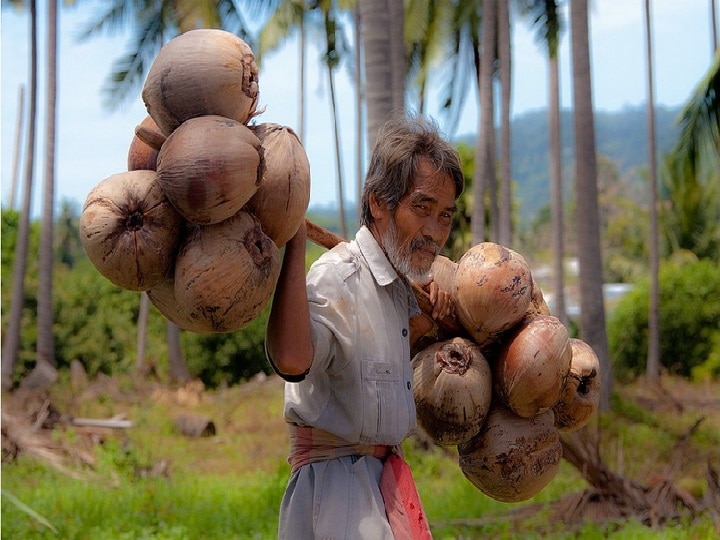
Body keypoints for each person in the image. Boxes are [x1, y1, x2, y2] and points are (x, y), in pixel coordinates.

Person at [265, 112, 465, 539]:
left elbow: (374, 370)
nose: (434, 231)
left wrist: (426, 325)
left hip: (381, 491)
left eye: (445, 216)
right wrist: (295, 244)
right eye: (422, 208)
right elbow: (292, 357)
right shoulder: (337, 278)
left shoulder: (398, 292)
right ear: (378, 202)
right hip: (338, 500)